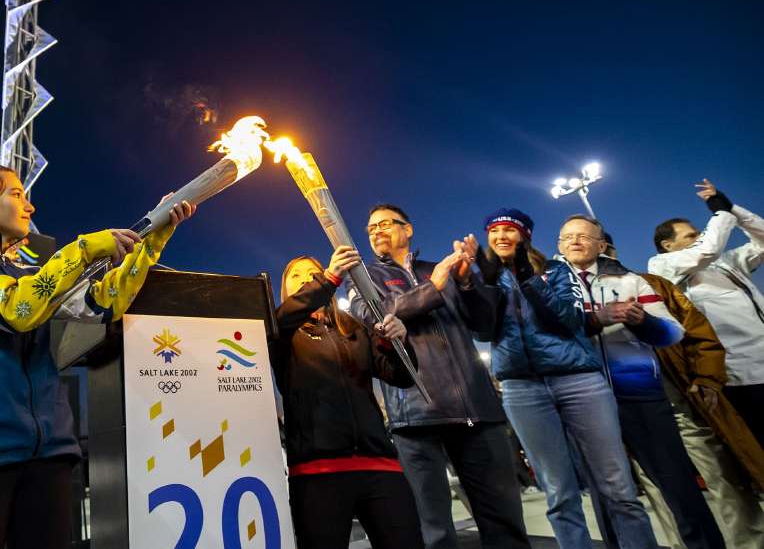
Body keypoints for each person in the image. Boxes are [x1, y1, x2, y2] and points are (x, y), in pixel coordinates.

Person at [0, 162, 193, 549]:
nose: (29, 206)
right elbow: (18, 309)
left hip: (50, 454)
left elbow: (106, 303)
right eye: (16, 194)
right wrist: (84, 248)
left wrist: (152, 241)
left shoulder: (30, 271)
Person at [466, 208, 659, 549]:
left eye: (509, 231)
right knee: (558, 492)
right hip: (522, 389)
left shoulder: (555, 269)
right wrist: (481, 286)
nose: (500, 237)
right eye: (494, 232)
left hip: (579, 381)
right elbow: (482, 331)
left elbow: (569, 320)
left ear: (524, 235)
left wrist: (528, 277)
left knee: (617, 487)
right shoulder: (486, 278)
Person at [351, 204, 529, 549]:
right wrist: (435, 286)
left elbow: (485, 326)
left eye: (385, 224)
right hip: (416, 417)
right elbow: (379, 316)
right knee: (433, 531)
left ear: (409, 229)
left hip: (476, 410)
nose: (376, 231)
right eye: (371, 228)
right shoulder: (363, 277)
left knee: (504, 522)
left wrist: (465, 283)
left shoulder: (440, 269)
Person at [554, 215, 722, 549]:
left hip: (640, 394)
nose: (574, 242)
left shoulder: (632, 281)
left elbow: (673, 333)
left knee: (678, 486)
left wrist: (643, 321)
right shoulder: (549, 285)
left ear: (601, 245)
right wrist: (589, 322)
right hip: (583, 401)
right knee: (608, 495)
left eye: (583, 237)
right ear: (559, 244)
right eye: (567, 237)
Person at [272, 250, 424, 549]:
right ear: (285, 289)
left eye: (311, 272)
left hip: (380, 465)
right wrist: (326, 279)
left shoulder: (353, 327)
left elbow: (401, 376)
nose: (306, 279)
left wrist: (396, 342)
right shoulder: (280, 330)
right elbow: (287, 314)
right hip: (319, 472)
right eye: (296, 276)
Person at [637, 270, 764, 546]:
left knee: (721, 474)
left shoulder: (655, 284)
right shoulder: (572, 293)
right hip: (630, 408)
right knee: (660, 488)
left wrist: (707, 378)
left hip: (680, 397)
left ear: (605, 247)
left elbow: (698, 332)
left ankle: (752, 543)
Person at [649, 179, 764, 445]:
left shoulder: (725, 263)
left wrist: (733, 209)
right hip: (740, 373)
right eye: (691, 235)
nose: (700, 235)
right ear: (667, 245)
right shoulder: (663, 265)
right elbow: (708, 249)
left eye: (700, 232)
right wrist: (720, 213)